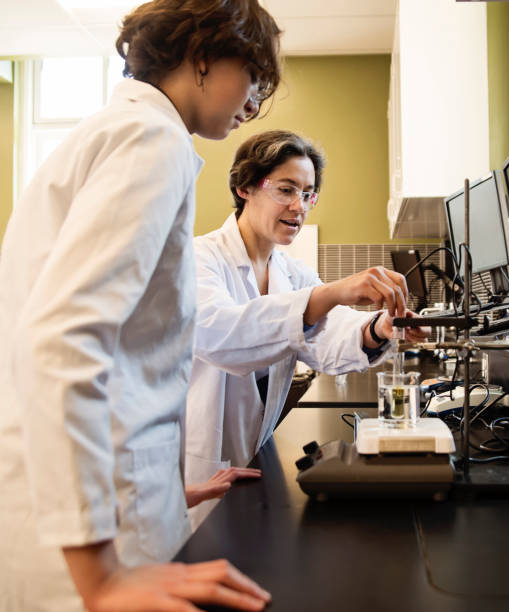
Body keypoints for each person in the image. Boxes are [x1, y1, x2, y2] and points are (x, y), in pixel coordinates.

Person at [0, 1, 282, 611]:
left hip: (107, 504)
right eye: (254, 80)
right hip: (90, 557)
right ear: (205, 54)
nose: (254, 105)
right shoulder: (151, 138)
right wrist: (101, 577)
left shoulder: (116, 131)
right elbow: (62, 340)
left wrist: (164, 489)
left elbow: (121, 358)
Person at [186, 130, 428, 502]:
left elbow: (328, 335)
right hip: (199, 468)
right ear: (245, 187)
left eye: (308, 193)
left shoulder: (291, 272)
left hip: (255, 458)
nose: (299, 206)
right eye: (286, 190)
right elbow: (223, 338)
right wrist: (332, 292)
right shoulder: (199, 258)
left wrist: (379, 328)